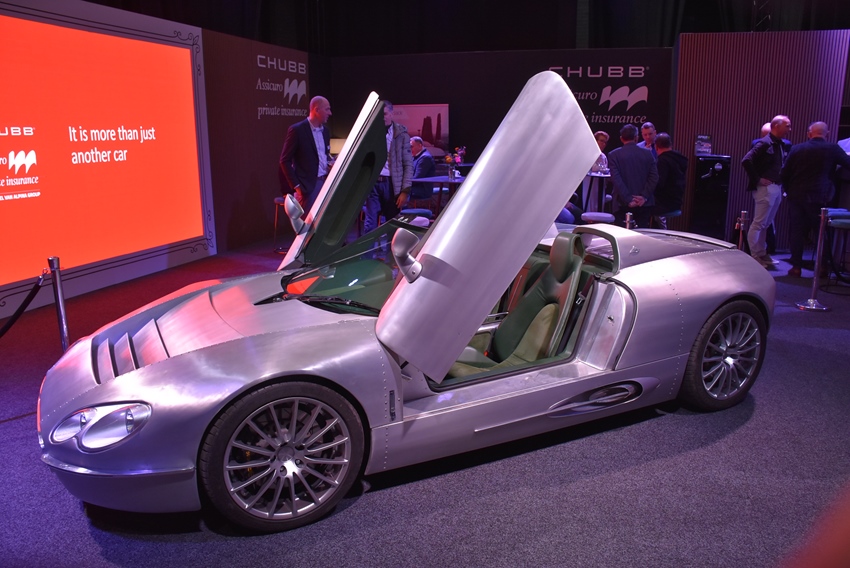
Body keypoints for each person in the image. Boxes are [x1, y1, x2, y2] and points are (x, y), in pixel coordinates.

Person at [780, 121, 850, 277]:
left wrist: (788, 190)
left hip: (796, 195)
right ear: (827, 134)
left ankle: (796, 267)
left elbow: (784, 173)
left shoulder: (797, 148)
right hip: (820, 196)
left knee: (796, 231)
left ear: (809, 134)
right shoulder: (832, 148)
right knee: (821, 232)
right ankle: (822, 267)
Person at [741, 114, 792, 268]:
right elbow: (746, 160)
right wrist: (757, 179)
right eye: (787, 126)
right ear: (776, 126)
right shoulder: (765, 143)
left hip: (776, 187)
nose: (789, 129)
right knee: (759, 223)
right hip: (766, 188)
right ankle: (753, 255)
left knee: (766, 223)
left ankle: (761, 252)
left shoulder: (780, 144)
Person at [363, 101, 413, 233]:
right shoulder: (371, 133)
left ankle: (392, 247)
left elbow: (408, 164)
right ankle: (368, 248)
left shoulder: (401, 135)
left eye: (384, 114)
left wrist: (405, 191)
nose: (382, 118)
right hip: (373, 183)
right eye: (379, 115)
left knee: (392, 224)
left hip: (392, 184)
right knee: (370, 224)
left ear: (391, 114)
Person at [279, 95, 333, 214]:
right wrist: (297, 186)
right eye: (327, 109)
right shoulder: (297, 130)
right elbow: (284, 160)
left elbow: (324, 155)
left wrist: (331, 163)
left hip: (325, 184)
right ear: (316, 110)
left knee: (323, 222)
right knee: (307, 223)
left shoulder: (326, 131)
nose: (330, 113)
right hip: (308, 187)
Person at [608, 123, 658, 228]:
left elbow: (616, 180)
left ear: (621, 138)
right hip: (644, 204)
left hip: (621, 204)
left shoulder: (613, 155)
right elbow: (654, 177)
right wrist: (643, 197)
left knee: (621, 235)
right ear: (636, 138)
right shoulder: (648, 153)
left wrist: (629, 199)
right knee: (642, 234)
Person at [652, 132, 687, 229]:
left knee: (643, 206)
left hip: (665, 204)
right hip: (677, 201)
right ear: (670, 144)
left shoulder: (662, 161)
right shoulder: (679, 159)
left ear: (656, 146)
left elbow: (659, 184)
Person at [409, 136, 435, 204]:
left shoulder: (425, 158)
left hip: (422, 190)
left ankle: (403, 210)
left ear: (420, 146)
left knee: (398, 192)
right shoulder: (416, 156)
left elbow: (417, 179)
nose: (409, 149)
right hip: (415, 187)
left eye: (411, 146)